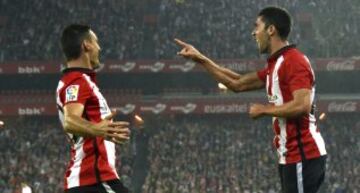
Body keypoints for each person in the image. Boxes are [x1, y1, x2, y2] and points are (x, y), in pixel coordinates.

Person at [175, 6, 327, 193]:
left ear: (271, 30)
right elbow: (237, 82)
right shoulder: (275, 65)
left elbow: (302, 105)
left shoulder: (294, 61)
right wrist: (201, 59)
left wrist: (265, 110)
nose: (253, 33)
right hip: (291, 156)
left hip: (304, 154)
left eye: (257, 27)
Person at [56, 24, 130, 193]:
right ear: (86, 45)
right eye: (96, 42)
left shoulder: (78, 81)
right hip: (93, 180)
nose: (99, 47)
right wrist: (96, 129)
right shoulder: (76, 80)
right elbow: (70, 120)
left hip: (91, 181)